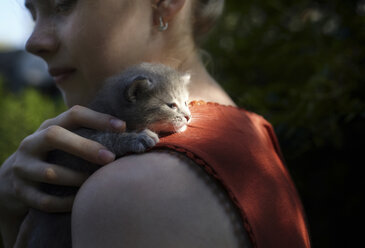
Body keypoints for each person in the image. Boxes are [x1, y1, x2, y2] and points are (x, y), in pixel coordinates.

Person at [0, 0, 310, 247]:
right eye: (32, 11)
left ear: (164, 2)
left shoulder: (130, 189)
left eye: (63, 4)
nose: (34, 41)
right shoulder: (251, 132)